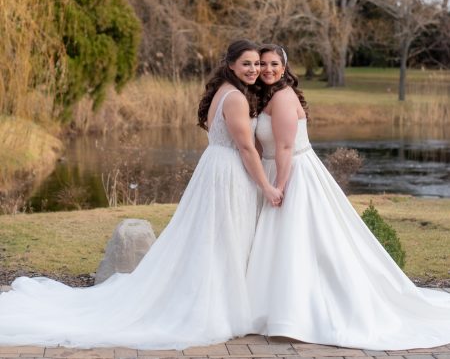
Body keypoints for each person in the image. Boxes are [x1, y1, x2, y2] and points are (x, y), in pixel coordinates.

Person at [0, 39, 282, 349]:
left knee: (215, 237)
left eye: (257, 63)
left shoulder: (224, 92)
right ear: (231, 65)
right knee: (225, 236)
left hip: (216, 167)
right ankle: (218, 306)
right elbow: (244, 147)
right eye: (248, 63)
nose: (255, 69)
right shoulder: (236, 99)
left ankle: (220, 299)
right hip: (228, 171)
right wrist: (267, 186)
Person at [246, 43, 450, 350]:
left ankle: (299, 311)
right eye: (262, 63)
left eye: (274, 63)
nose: (268, 69)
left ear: (285, 67)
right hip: (277, 171)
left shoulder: (284, 98)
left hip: (293, 174)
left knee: (299, 241)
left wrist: (281, 185)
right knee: (283, 243)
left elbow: (286, 147)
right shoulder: (268, 96)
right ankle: (271, 306)